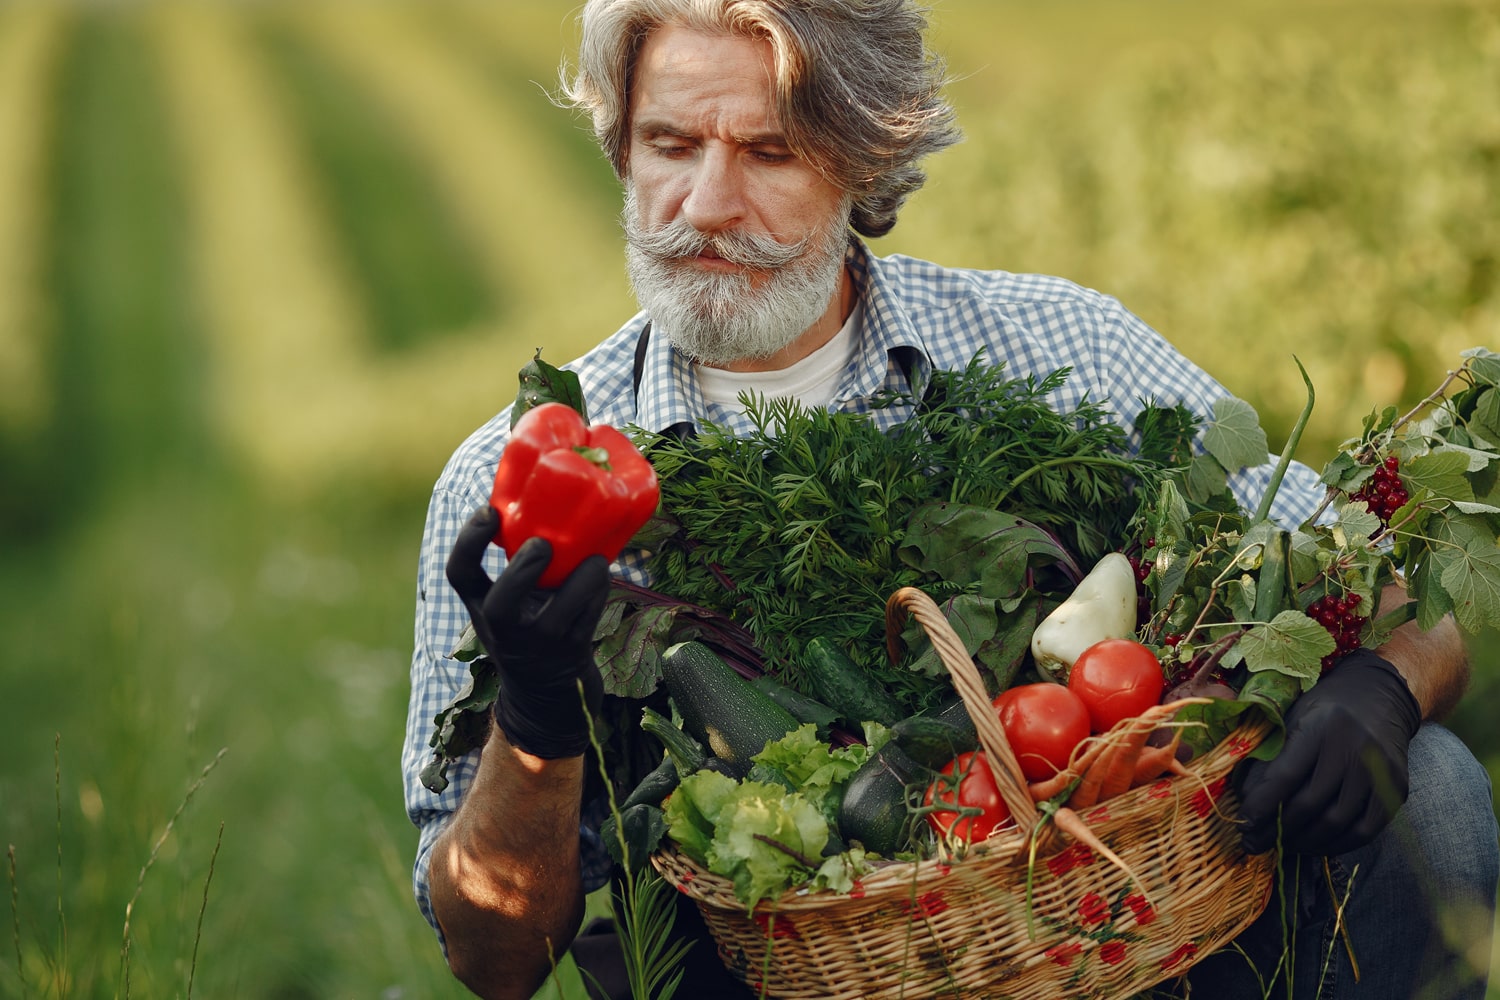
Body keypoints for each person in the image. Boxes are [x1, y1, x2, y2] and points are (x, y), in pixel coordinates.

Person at [401, 2, 1499, 997]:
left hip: (1139, 935)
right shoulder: (514, 478)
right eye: (670, 145)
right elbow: (492, 955)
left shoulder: (1060, 347)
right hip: (785, 972)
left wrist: (1386, 688)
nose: (706, 203)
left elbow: (1392, 584)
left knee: (1434, 785)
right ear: (622, 147)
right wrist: (534, 721)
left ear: (862, 159)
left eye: (769, 151)